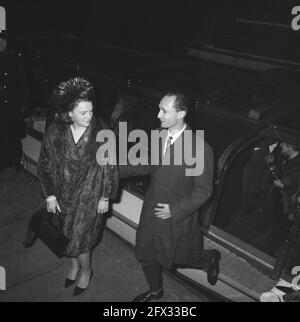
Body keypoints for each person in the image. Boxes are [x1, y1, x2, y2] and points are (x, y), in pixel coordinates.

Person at [120, 91, 221, 302]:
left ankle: (210, 258)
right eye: (159, 109)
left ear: (182, 113)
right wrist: (113, 169)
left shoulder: (201, 148)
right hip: (151, 210)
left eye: (164, 110)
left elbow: (203, 191)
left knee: (180, 257)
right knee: (145, 253)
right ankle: (156, 292)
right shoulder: (158, 135)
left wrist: (174, 211)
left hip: (178, 216)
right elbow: (148, 164)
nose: (158, 114)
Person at [36, 77, 118, 296]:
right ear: (69, 113)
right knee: (65, 236)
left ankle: (86, 270)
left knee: (82, 240)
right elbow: (44, 163)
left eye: (91, 111)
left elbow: (110, 168)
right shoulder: (54, 132)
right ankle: (73, 266)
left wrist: (106, 196)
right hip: (62, 198)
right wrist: (49, 195)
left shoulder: (103, 133)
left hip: (89, 199)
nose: (89, 116)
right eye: (83, 113)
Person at [0, 30, 28, 171]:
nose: (1, 44)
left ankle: (16, 161)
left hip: (12, 104)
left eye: (4, 41)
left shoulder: (15, 60)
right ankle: (3, 161)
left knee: (14, 134)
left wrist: (24, 104)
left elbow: (22, 83)